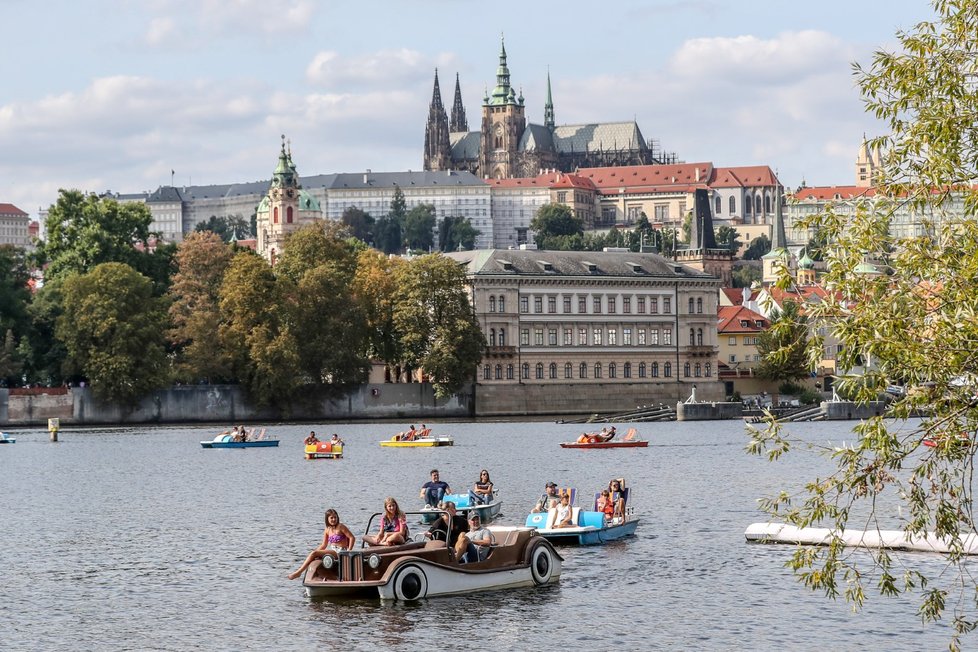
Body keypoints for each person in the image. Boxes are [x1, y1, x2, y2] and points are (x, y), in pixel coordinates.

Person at [287, 508, 356, 580]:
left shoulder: (341, 526)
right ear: (327, 519)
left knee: (314, 553)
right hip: (333, 550)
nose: (333, 519)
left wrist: (349, 551)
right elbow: (324, 545)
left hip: (341, 551)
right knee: (314, 554)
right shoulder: (327, 529)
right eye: (331, 518)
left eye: (335, 517)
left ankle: (299, 572)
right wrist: (314, 553)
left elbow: (352, 538)